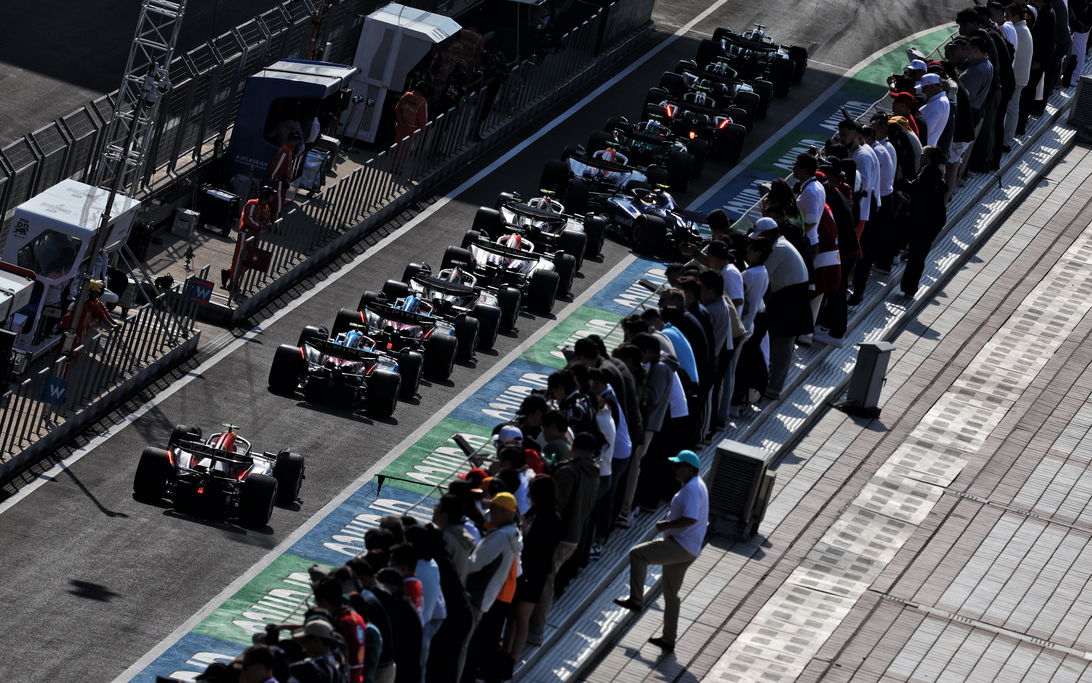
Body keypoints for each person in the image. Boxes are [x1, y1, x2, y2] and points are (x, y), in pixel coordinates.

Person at [613, 449, 709, 652]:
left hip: (680, 545)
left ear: (690, 468)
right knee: (671, 594)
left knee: (637, 554)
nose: (674, 469)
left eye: (678, 465)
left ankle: (636, 600)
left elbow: (691, 518)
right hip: (689, 548)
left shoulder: (692, 489)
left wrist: (667, 525)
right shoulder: (696, 485)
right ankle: (668, 639)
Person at [527, 433, 598, 645]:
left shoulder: (569, 472)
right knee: (549, 577)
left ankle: (536, 629)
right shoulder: (593, 471)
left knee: (545, 579)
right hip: (574, 534)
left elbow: (557, 505)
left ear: (573, 447)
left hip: (559, 535)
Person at [504, 475, 562, 662]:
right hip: (524, 571)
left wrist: (526, 533)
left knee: (521, 618)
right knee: (512, 615)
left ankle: (511, 659)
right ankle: (505, 652)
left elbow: (538, 547)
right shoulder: (537, 512)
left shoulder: (550, 518)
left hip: (533, 573)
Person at [899, 146, 949, 297]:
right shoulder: (937, 172)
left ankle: (910, 287)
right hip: (932, 220)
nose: (920, 157)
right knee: (919, 254)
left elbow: (918, 191)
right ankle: (909, 287)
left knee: (918, 255)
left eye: (923, 154)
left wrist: (901, 182)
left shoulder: (930, 172)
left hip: (926, 221)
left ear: (930, 157)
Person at [313, 578, 366, 683]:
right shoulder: (355, 617)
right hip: (358, 677)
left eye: (317, 602)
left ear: (323, 601)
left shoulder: (340, 624)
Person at [222, 185, 275, 289]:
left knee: (249, 261)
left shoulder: (266, 207)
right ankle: (233, 283)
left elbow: (266, 219)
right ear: (265, 195)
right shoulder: (252, 203)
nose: (272, 197)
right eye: (270, 195)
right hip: (245, 234)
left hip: (255, 235)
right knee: (239, 258)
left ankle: (229, 273)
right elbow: (248, 220)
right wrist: (261, 226)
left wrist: (268, 225)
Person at [269, 132, 298, 221]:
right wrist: (273, 178)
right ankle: (275, 223)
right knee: (277, 203)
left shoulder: (287, 150)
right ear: (294, 141)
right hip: (279, 182)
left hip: (281, 181)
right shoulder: (285, 151)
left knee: (278, 202)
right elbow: (277, 165)